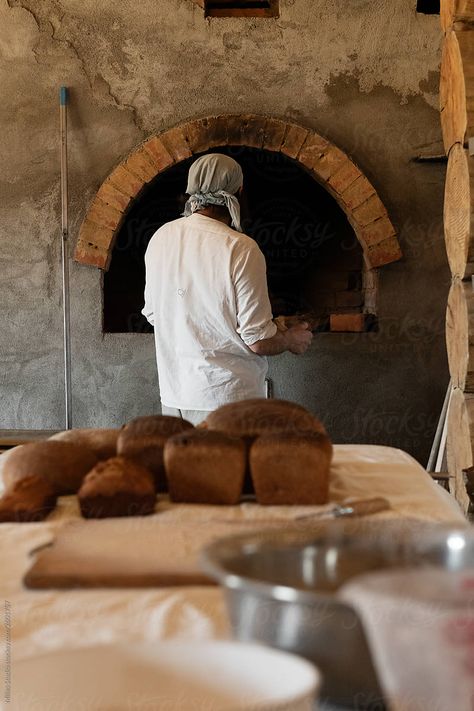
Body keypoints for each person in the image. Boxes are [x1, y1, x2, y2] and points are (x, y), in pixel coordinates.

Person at [142, 153, 312, 425]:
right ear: (240, 191)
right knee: (230, 469)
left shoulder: (160, 238)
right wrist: (291, 340)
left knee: (183, 467)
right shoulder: (240, 247)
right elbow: (257, 340)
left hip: (175, 397)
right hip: (228, 401)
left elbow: (155, 315)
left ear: (191, 190)